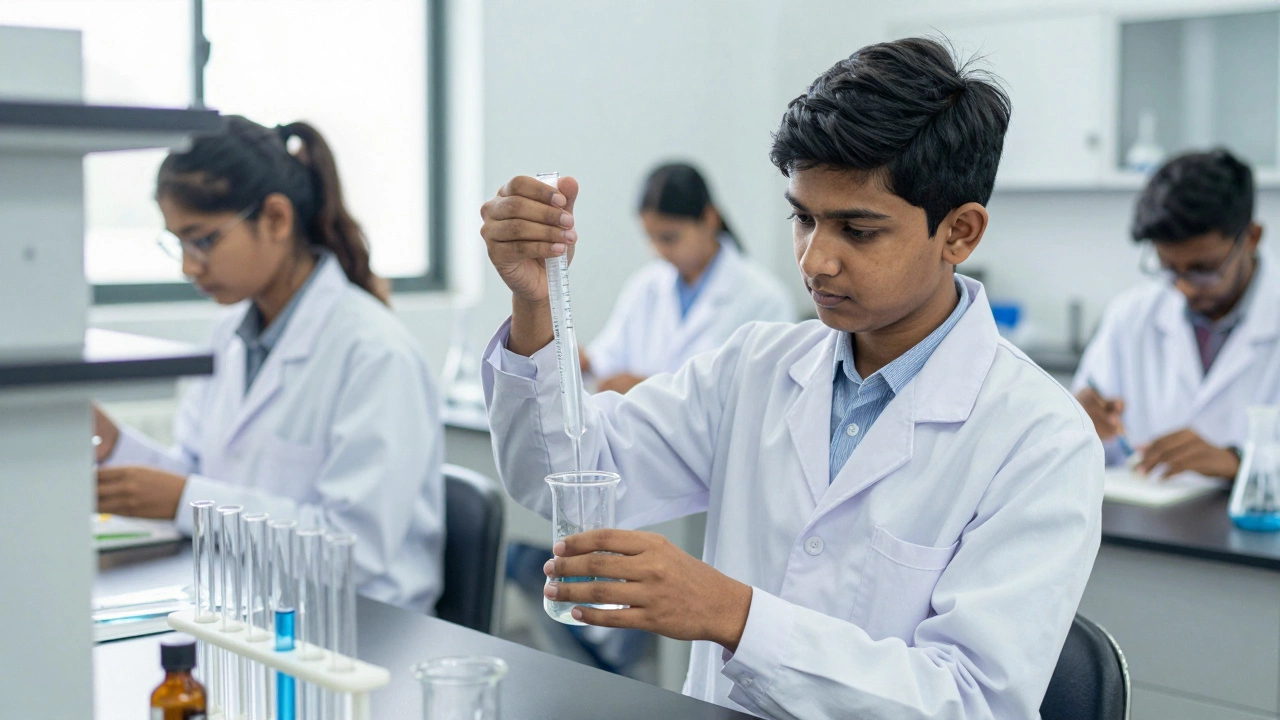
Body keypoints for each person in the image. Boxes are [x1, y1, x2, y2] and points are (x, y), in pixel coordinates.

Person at [479, 37, 1103, 718]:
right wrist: (535, 302)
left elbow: (970, 702)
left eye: (857, 230)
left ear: (960, 232)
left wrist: (735, 616)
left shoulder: (1040, 438)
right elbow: (565, 476)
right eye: (803, 218)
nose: (815, 261)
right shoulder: (756, 366)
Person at [94, 117, 445, 613]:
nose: (188, 266)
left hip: (360, 624)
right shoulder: (230, 338)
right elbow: (197, 473)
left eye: (203, 240)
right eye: (178, 243)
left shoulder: (374, 352)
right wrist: (117, 444)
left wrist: (186, 501)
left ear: (276, 219)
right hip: (249, 603)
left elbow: (356, 550)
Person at [1073, 149, 1278, 480]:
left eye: (1203, 270)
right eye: (1169, 269)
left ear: (1251, 238)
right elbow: (1092, 450)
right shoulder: (1131, 317)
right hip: (1145, 522)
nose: (1184, 288)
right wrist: (1082, 421)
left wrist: (1241, 463)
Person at [582, 162, 795, 394]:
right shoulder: (645, 286)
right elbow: (606, 358)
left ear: (709, 218)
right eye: (650, 238)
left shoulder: (764, 299)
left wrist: (648, 389)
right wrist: (577, 360)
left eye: (669, 238)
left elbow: (759, 397)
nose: (658, 251)